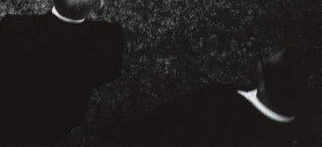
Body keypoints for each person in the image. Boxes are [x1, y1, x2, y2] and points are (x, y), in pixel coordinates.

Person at [0, 0, 124, 146]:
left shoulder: (13, 28)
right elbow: (111, 71)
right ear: (99, 3)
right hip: (60, 117)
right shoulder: (108, 37)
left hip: (6, 109)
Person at [116, 48, 312, 146]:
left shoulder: (216, 104)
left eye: (266, 57)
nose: (266, 49)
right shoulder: (299, 134)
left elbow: (166, 123)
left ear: (263, 83)